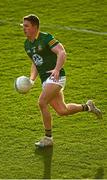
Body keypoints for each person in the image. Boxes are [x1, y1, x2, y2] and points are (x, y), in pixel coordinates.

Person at [21, 14, 102, 148]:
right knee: (62, 110)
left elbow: (61, 52)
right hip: (45, 80)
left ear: (35, 27)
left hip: (56, 77)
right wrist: (31, 80)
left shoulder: (46, 38)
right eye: (23, 26)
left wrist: (57, 69)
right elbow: (35, 62)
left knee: (42, 102)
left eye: (26, 26)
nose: (24, 29)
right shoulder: (27, 44)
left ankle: (48, 138)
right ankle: (88, 107)